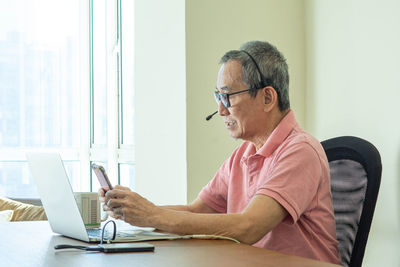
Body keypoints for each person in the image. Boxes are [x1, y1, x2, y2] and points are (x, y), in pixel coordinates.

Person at [100, 41, 341, 264]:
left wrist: (152, 216)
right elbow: (196, 211)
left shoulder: (300, 150)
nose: (220, 110)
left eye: (227, 96)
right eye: (218, 96)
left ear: (267, 97)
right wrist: (134, 210)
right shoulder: (243, 155)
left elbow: (249, 226)